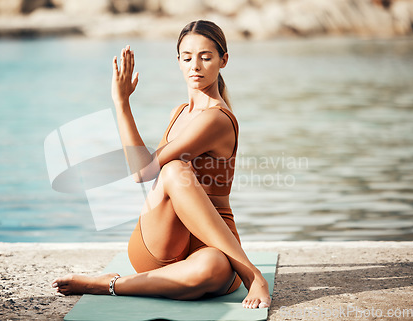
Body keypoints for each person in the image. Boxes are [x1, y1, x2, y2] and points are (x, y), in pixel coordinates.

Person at [52, 20, 271, 309]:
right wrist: (121, 103)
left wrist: (122, 103)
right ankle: (251, 273)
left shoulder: (216, 118)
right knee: (175, 170)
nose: (196, 66)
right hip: (161, 241)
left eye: (206, 57)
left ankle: (111, 284)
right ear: (178, 61)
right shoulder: (179, 112)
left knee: (210, 271)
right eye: (187, 57)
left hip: (214, 245)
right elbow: (141, 171)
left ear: (223, 60)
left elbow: (144, 171)